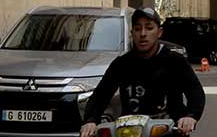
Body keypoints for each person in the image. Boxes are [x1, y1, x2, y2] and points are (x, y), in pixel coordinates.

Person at [80, 8, 205, 137]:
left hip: (168, 130)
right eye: (138, 29)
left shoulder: (175, 61)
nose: (143, 34)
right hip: (129, 130)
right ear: (132, 33)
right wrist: (90, 120)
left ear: (159, 32)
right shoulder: (121, 64)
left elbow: (195, 92)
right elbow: (101, 95)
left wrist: (190, 116)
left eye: (149, 28)